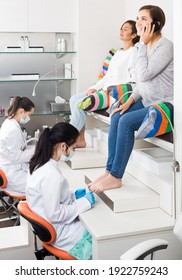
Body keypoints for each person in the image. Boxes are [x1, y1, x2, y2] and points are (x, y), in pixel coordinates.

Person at [89, 5, 173, 193]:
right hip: (147, 100)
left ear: (156, 24)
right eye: (138, 18)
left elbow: (144, 75)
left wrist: (141, 45)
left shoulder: (164, 46)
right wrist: (129, 101)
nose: (139, 23)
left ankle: (116, 177)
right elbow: (142, 85)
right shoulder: (147, 47)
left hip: (163, 104)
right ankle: (110, 171)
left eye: (144, 19)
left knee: (126, 121)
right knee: (117, 114)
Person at [26, 122, 95, 260]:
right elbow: (55, 214)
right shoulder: (51, 173)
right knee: (97, 238)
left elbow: (49, 195)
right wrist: (83, 203)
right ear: (63, 146)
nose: (73, 151)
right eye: (73, 147)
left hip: (48, 225)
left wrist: (72, 194)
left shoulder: (39, 163)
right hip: (61, 231)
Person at [70, 20, 140, 147]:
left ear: (134, 35)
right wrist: (94, 88)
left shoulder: (134, 52)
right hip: (104, 91)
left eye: (125, 29)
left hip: (115, 94)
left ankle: (67, 139)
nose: (121, 31)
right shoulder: (118, 53)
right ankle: (80, 139)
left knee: (80, 104)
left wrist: (116, 90)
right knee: (74, 99)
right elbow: (107, 76)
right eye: (121, 28)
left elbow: (134, 80)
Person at [0, 96, 35, 196]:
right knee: (41, 185)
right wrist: (35, 151)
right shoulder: (12, 129)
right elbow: (16, 157)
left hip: (11, 168)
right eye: (29, 115)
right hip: (12, 175)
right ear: (21, 111)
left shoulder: (10, 123)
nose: (29, 118)